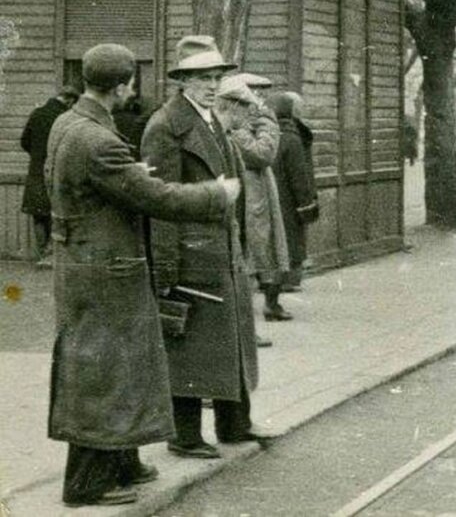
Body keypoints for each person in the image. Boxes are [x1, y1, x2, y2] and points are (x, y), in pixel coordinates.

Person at [46, 44, 238, 507]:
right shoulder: (98, 140)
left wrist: (129, 175)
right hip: (106, 271)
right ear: (122, 85)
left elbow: (102, 184)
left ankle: (122, 461)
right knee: (103, 372)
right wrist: (216, 194)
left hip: (88, 263)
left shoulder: (69, 123)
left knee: (121, 368)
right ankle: (87, 483)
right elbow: (156, 198)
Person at [141, 35, 276, 460]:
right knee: (190, 345)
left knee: (230, 338)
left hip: (220, 250)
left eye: (216, 76)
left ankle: (234, 424)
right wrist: (165, 267)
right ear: (182, 80)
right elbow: (159, 201)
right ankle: (184, 435)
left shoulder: (213, 121)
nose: (212, 84)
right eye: (202, 77)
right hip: (189, 252)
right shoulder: (165, 127)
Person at [219, 73, 291, 321]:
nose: (259, 100)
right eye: (254, 93)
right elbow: (263, 153)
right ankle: (247, 319)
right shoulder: (238, 127)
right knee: (251, 253)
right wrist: (267, 119)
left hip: (256, 195)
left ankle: (268, 306)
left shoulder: (245, 124)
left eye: (262, 93)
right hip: (247, 198)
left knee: (264, 250)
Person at [267, 91, 319, 293]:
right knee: (293, 237)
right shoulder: (293, 137)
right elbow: (300, 173)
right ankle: (288, 279)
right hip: (290, 197)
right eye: (299, 108)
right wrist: (306, 200)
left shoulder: (271, 134)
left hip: (274, 194)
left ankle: (274, 280)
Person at [20, 86, 79, 264]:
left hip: (36, 171)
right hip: (57, 171)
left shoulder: (37, 113)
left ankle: (41, 255)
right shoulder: (65, 118)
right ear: (70, 100)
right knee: (57, 215)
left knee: (39, 215)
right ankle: (53, 257)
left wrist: (37, 156)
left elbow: (24, 141)